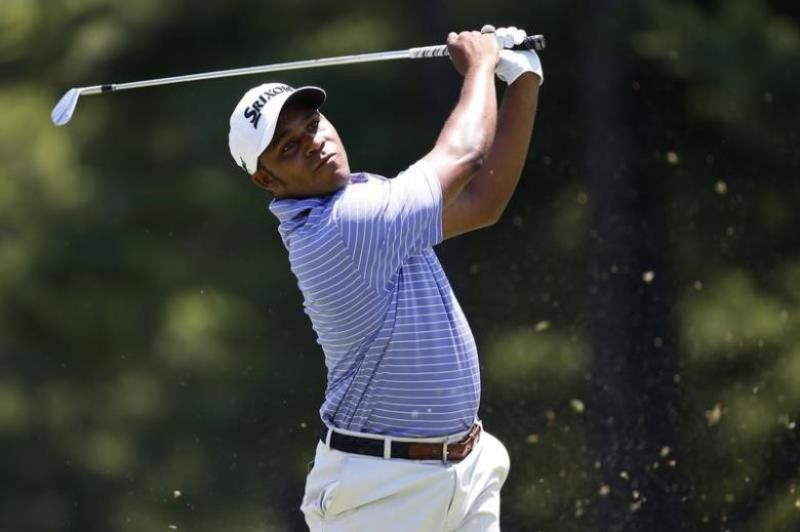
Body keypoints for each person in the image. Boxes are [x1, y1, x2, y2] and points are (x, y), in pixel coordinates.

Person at [228, 25, 542, 532]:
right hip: (380, 494)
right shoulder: (343, 226)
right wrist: (483, 66)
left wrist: (524, 79)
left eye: (312, 124)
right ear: (266, 180)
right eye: (287, 147)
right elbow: (465, 156)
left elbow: (483, 203)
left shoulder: (364, 199)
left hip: (463, 470)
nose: (312, 143)